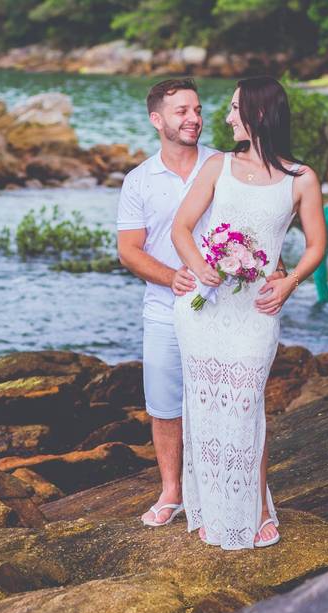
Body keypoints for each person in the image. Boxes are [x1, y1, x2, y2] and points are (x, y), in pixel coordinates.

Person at [116, 78, 287, 528]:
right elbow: (129, 250)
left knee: (234, 403)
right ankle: (173, 492)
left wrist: (279, 269)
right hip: (163, 308)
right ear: (157, 120)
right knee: (165, 402)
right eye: (181, 112)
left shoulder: (226, 163)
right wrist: (172, 275)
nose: (194, 118)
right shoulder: (138, 181)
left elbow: (256, 223)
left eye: (196, 110)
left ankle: (243, 497)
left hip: (225, 309)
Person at [170, 76, 327, 550]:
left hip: (258, 310)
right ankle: (210, 507)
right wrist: (201, 267)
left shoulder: (302, 179)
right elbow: (181, 228)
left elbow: (318, 245)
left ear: (258, 114)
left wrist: (288, 282)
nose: (226, 117)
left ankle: (256, 508)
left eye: (235, 108)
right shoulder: (218, 165)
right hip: (205, 308)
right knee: (204, 407)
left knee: (246, 407)